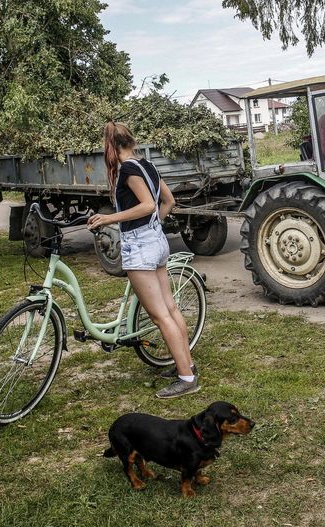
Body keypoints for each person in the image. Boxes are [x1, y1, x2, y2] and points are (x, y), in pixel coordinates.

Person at [87, 122, 199, 399]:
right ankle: (187, 366)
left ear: (110, 146)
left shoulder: (127, 169)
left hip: (140, 247)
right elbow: (168, 201)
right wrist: (152, 227)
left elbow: (148, 204)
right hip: (156, 241)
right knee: (170, 309)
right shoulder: (148, 164)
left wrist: (109, 218)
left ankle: (186, 378)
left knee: (160, 315)